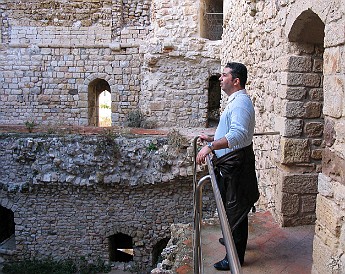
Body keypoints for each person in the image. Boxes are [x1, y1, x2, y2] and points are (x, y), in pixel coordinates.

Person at [196, 62, 260, 270]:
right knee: (230, 207)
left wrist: (211, 146)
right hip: (230, 164)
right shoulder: (236, 101)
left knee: (236, 210)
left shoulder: (240, 103)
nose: (220, 79)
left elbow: (239, 135)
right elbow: (231, 130)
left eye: (224, 76)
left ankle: (234, 257)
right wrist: (211, 137)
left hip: (236, 166)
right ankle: (231, 240)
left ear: (236, 81)